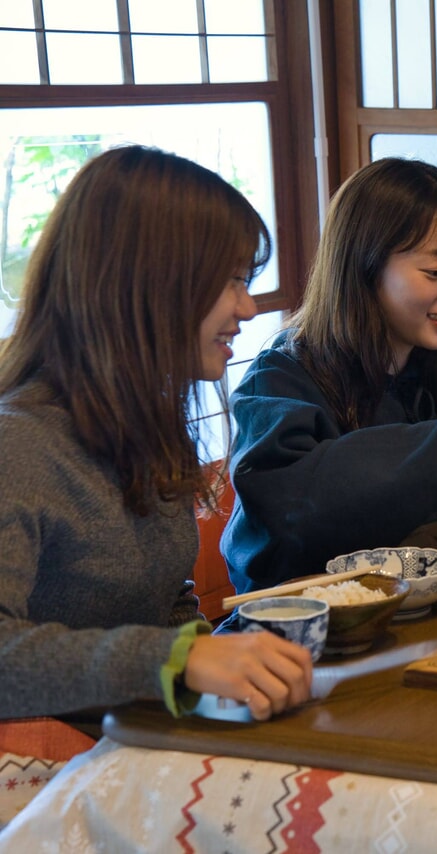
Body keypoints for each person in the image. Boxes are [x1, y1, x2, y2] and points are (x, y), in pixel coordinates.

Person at [0, 146, 313, 724]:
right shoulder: (17, 444)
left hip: (133, 755)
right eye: (229, 282)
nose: (246, 306)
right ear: (146, 284)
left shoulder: (145, 426)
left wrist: (222, 669)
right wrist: (184, 657)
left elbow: (167, 608)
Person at [222, 158, 437, 591]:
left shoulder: (432, 374)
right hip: (302, 635)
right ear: (366, 265)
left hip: (413, 616)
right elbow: (295, 508)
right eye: (434, 272)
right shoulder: (280, 378)